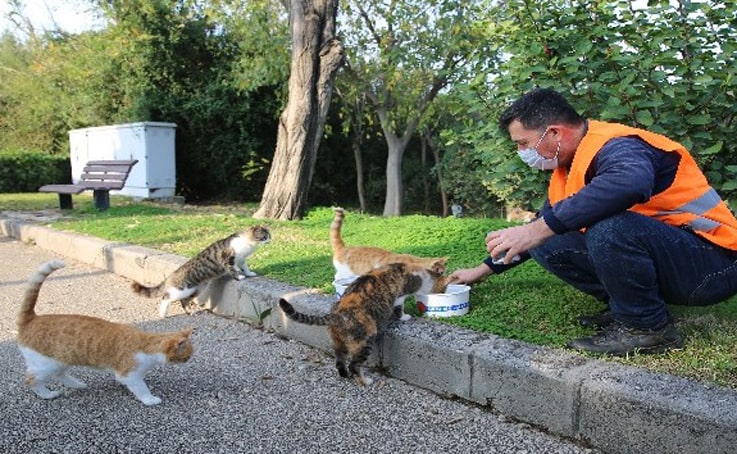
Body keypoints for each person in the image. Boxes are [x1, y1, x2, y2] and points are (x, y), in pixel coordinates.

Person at [449, 88, 737, 355]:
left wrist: (537, 229)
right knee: (545, 239)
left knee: (607, 229)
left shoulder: (617, 146)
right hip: (679, 260)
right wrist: (481, 270)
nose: (521, 152)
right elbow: (539, 229)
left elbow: (630, 182)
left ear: (554, 133)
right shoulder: (569, 167)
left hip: (715, 265)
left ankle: (647, 327)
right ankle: (628, 306)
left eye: (523, 143)